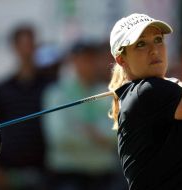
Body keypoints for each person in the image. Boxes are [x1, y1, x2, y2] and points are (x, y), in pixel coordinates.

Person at [108, 13, 182, 190]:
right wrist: (172, 81)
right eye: (141, 44)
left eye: (158, 40)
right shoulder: (149, 92)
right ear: (121, 59)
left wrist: (169, 82)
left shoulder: (145, 92)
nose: (154, 50)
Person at [42, 40, 127, 190]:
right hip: (68, 174)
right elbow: (59, 136)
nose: (87, 64)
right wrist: (98, 136)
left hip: (103, 175)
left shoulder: (109, 93)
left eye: (90, 59)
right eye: (82, 59)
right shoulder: (57, 93)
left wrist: (82, 129)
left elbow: (118, 135)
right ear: (73, 61)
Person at [0, 24, 52, 190]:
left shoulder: (50, 85)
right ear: (15, 48)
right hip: (7, 174)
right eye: (23, 45)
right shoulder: (1, 89)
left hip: (45, 175)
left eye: (31, 44)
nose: (27, 50)